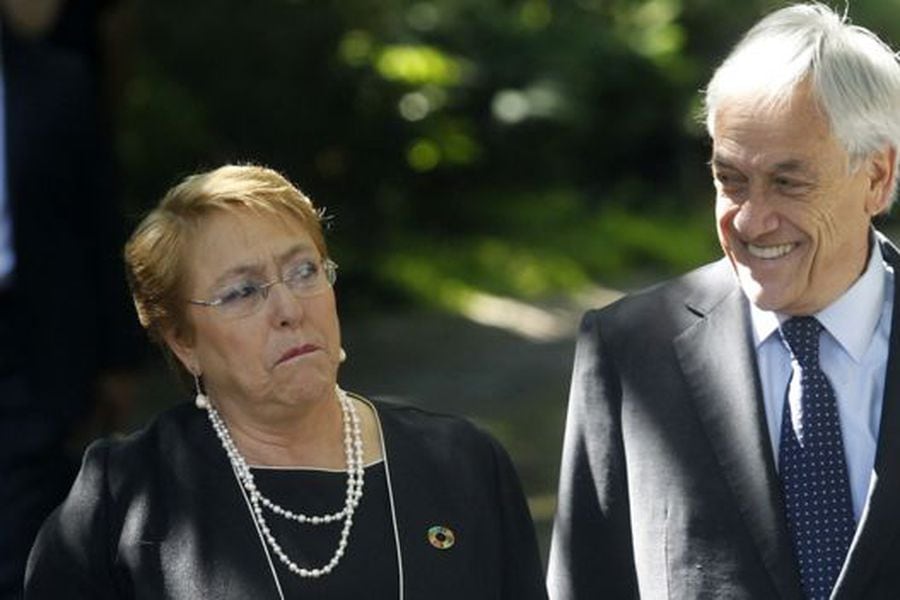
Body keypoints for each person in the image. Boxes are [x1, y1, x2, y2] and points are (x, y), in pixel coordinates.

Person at [23, 164, 547, 599]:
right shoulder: (125, 495)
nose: (289, 309)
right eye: (242, 292)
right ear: (183, 341)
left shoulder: (462, 461)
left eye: (303, 271)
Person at [548, 3, 900, 599]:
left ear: (877, 178)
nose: (753, 220)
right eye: (730, 179)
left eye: (789, 182)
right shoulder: (629, 352)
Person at [0, 2, 141, 597]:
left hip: (33, 352)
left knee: (23, 551)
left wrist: (118, 355)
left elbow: (97, 223)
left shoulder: (59, 81)